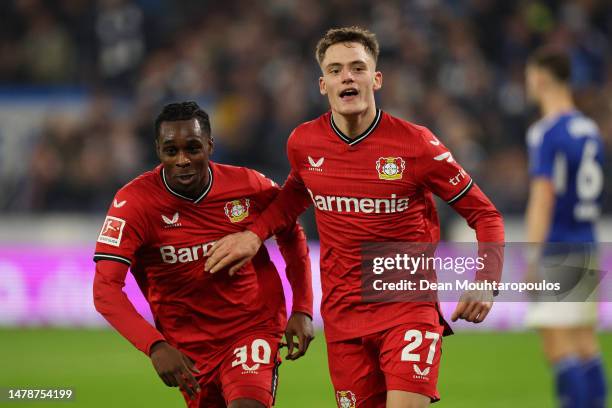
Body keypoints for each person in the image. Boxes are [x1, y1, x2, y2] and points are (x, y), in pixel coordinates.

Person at [205, 27, 504, 407]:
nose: (347, 76)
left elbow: (485, 213)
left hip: (406, 309)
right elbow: (293, 197)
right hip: (343, 318)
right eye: (336, 70)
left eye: (357, 68)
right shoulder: (304, 142)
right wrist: (253, 235)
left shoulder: (416, 144)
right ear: (322, 84)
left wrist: (487, 282)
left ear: (375, 79)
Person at [93, 101, 314, 408]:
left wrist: (302, 307)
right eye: (171, 151)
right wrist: (155, 346)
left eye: (193, 148)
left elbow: (290, 231)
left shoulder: (248, 185)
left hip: (252, 327)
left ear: (210, 146)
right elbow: (105, 289)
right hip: (189, 350)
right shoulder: (134, 204)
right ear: (158, 150)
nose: (182, 160)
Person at [524, 48, 607, 408]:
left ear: (540, 78)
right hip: (588, 240)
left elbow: (543, 198)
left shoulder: (546, 132)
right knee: (586, 343)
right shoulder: (589, 129)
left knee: (557, 344)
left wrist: (530, 256)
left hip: (559, 245)